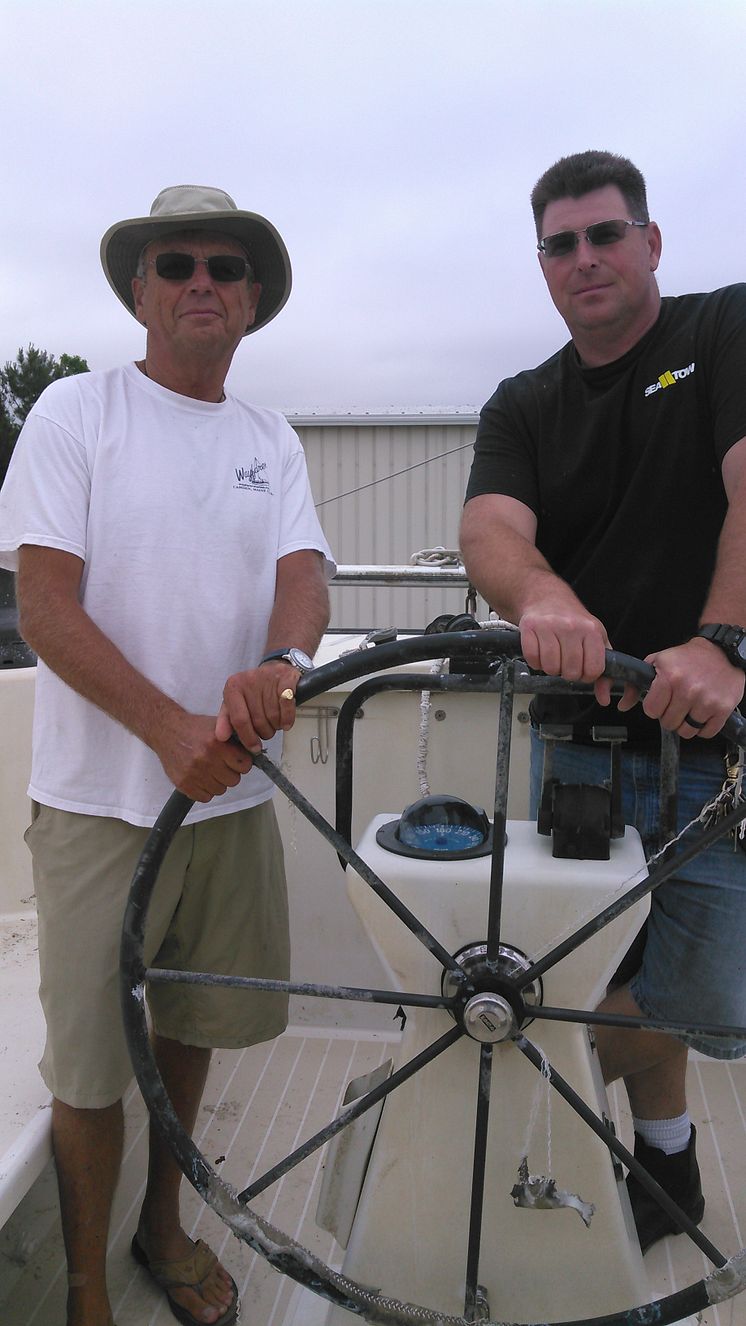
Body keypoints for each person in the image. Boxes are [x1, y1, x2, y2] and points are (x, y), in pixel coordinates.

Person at [0, 185, 334, 1326]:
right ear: (140, 289)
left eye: (226, 267)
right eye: (178, 262)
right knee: (90, 1068)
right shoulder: (71, 413)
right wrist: (166, 726)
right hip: (98, 805)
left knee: (192, 1024)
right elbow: (44, 608)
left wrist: (284, 663)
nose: (203, 280)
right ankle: (88, 1284)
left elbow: (304, 577)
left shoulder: (269, 437)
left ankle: (162, 1224)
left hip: (229, 801)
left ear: (251, 302)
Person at [460, 150, 746, 1253]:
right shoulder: (520, 401)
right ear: (541, 265)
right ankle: (664, 1162)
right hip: (577, 750)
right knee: (601, 975)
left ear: (649, 242)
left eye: (603, 234)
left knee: (705, 1000)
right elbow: (490, 528)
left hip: (710, 745)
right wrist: (538, 593)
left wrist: (721, 642)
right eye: (559, 244)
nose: (582, 258)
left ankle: (565, 1079)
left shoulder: (719, 332)